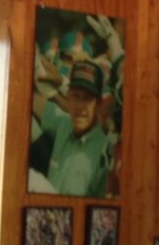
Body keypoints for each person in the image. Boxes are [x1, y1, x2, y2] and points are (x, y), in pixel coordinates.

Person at [31, 58, 115, 197]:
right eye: (76, 96)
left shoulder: (105, 150)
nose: (80, 106)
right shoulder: (63, 123)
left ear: (98, 104)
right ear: (69, 96)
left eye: (87, 98)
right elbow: (29, 99)